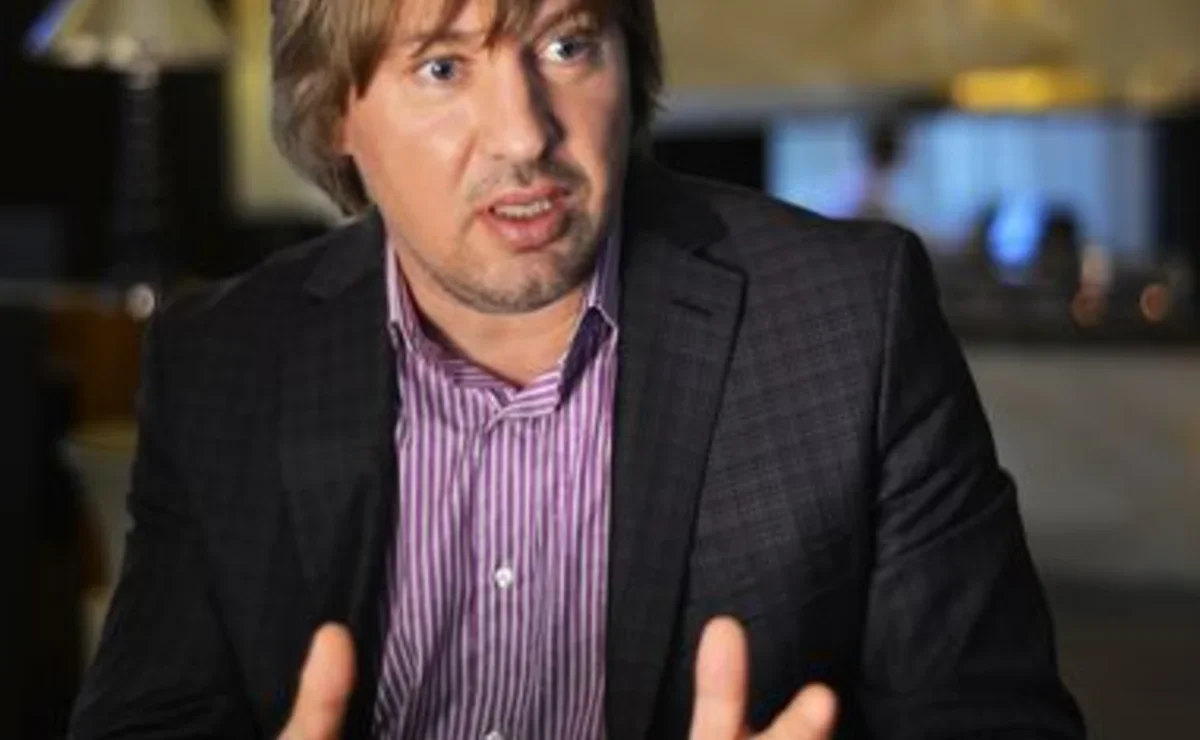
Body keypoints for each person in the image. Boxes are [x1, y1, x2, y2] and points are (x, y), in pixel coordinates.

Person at [70, 0, 1085, 737]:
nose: (526, 135)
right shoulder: (225, 362)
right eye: (442, 66)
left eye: (567, 44)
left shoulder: (849, 319)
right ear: (336, 109)